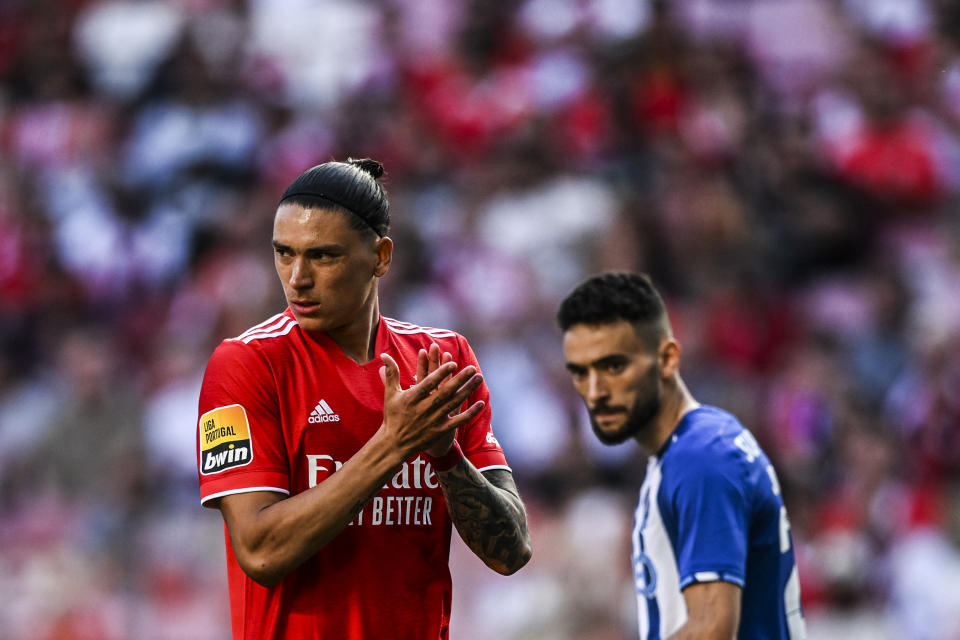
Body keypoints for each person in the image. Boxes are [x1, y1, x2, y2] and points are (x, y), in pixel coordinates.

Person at [196, 158, 532, 639]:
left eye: (323, 256)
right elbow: (261, 552)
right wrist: (394, 445)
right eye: (284, 253)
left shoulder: (441, 360)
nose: (297, 278)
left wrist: (445, 455)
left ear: (381, 256)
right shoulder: (247, 364)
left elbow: (512, 550)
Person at [557, 272, 806, 639]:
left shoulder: (701, 458)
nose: (596, 392)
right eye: (581, 373)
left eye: (614, 366)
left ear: (667, 359)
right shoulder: (685, 453)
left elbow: (712, 627)